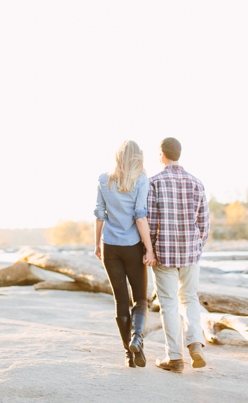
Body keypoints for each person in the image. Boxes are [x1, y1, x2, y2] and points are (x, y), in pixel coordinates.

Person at [148, 137, 211, 373]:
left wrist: (150, 251)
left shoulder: (154, 183)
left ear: (162, 154)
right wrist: (196, 248)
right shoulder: (196, 183)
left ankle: (174, 357)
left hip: (163, 255)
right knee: (190, 299)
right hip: (190, 255)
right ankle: (195, 343)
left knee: (169, 304)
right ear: (179, 154)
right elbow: (204, 223)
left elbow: (151, 222)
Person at [94, 140, 156, 368]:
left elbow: (99, 214)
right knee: (140, 299)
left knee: (120, 301)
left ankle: (128, 355)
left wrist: (97, 244)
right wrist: (149, 249)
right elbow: (140, 217)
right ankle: (137, 339)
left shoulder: (103, 179)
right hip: (132, 246)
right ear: (137, 157)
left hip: (110, 245)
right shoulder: (140, 180)